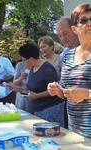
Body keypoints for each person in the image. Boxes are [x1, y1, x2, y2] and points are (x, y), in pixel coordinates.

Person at [48, 3, 91, 138]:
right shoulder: (67, 56)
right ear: (75, 28)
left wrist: (87, 95)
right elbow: (66, 92)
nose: (89, 23)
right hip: (75, 133)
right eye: (84, 20)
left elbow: (83, 94)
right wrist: (58, 91)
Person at [8, 43, 66, 127]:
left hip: (51, 109)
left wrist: (37, 96)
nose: (22, 63)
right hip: (38, 109)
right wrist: (16, 88)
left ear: (31, 59)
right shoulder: (32, 68)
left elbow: (55, 90)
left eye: (24, 60)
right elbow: (31, 89)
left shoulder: (47, 68)